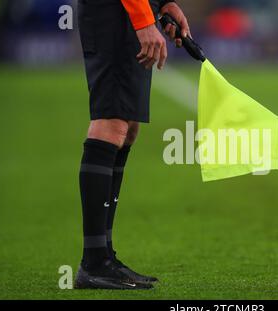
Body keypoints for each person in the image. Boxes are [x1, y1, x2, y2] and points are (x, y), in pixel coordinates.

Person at [74, 0, 191, 290]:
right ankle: (93, 262)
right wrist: (143, 19)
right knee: (111, 122)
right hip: (114, 13)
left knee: (127, 129)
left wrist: (161, 5)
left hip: (127, 12)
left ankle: (104, 256)